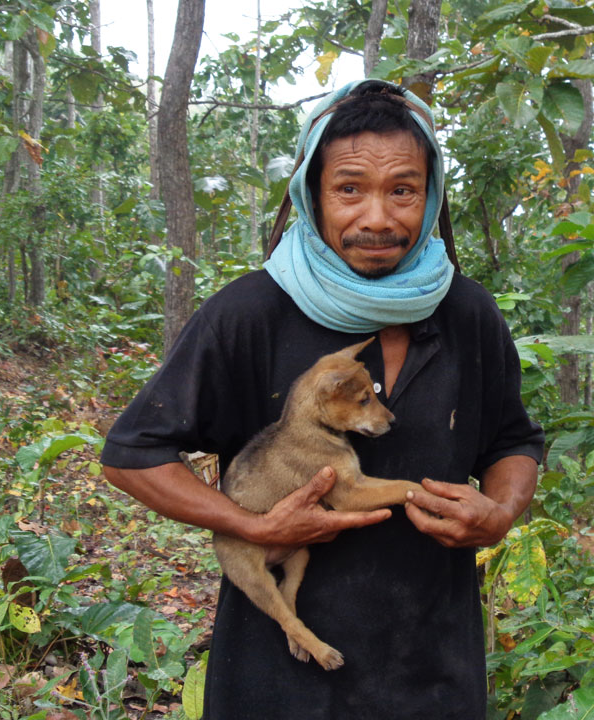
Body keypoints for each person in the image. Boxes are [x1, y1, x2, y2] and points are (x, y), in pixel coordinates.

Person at [101, 79, 544, 720]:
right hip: (279, 679)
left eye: (403, 190)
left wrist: (499, 511)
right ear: (313, 192)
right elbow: (132, 455)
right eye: (349, 188)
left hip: (432, 669)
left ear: (431, 195)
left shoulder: (467, 314)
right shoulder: (251, 313)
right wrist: (252, 526)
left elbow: (511, 440)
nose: (377, 218)